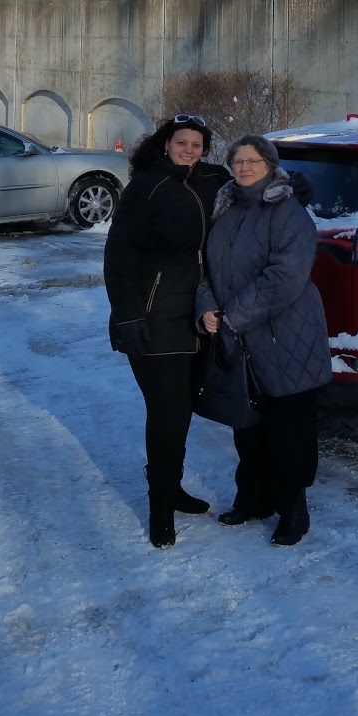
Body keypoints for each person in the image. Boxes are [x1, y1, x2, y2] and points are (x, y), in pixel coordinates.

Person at [196, 133, 332, 546]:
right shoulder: (224, 208)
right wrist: (206, 306)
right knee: (247, 426)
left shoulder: (287, 210)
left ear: (270, 165)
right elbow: (202, 266)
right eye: (237, 161)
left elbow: (285, 277)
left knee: (288, 431)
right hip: (240, 340)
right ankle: (253, 498)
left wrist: (233, 316)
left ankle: (293, 509)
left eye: (253, 160)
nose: (244, 167)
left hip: (285, 338)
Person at [104, 115, 228, 549]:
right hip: (154, 317)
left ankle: (171, 488)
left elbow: (255, 191)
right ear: (165, 144)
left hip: (199, 314)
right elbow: (119, 258)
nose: (189, 150)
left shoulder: (215, 179)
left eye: (197, 143)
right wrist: (129, 318)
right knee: (167, 413)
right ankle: (160, 508)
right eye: (182, 142)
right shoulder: (147, 186)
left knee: (183, 410)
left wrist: (291, 190)